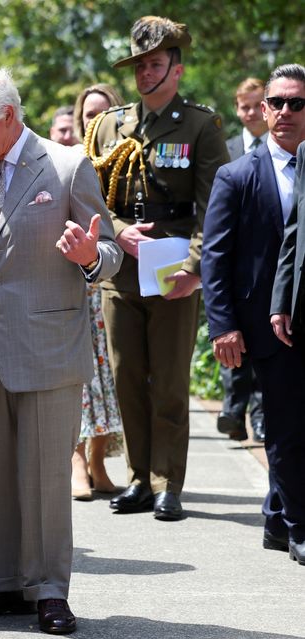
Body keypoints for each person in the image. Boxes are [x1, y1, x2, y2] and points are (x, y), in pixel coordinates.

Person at [0, 68, 122, 635]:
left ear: (9, 115)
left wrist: (90, 256)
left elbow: (112, 251)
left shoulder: (68, 166)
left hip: (47, 349)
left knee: (46, 479)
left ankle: (49, 590)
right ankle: (1, 587)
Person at [85, 16, 228, 521]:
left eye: (155, 64)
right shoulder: (108, 125)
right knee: (127, 377)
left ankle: (169, 483)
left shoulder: (200, 125)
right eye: (140, 65)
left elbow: (214, 206)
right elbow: (90, 196)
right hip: (122, 265)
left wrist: (194, 266)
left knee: (167, 381)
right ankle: (139, 479)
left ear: (176, 69)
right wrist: (117, 229)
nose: (146, 73)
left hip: (174, 265)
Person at [205, 63, 305, 566]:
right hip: (262, 326)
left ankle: (275, 519)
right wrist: (222, 324)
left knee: (293, 424)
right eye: (278, 103)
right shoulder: (235, 175)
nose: (286, 112)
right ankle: (300, 527)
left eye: (297, 103)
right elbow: (216, 257)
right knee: (286, 426)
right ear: (263, 111)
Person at [71, 83, 127, 500]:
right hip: (74, 283)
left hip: (109, 280)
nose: (95, 119)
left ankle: (97, 461)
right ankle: (75, 463)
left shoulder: (125, 157)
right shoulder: (66, 158)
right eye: (89, 112)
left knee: (104, 377)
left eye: (103, 112)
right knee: (79, 376)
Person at [218, 77, 268, 442]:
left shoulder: (286, 148)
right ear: (237, 109)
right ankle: (233, 410)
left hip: (270, 261)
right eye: (244, 106)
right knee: (232, 339)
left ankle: (261, 413)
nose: (250, 113)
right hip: (235, 263)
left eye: (256, 105)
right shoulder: (228, 149)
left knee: (268, 342)